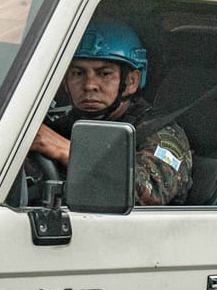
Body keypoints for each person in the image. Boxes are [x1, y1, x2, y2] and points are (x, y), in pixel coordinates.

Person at [30, 20, 192, 206]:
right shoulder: (61, 126)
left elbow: (149, 192)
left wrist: (66, 151)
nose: (90, 85)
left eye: (104, 74)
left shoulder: (161, 133)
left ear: (131, 81)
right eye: (78, 73)